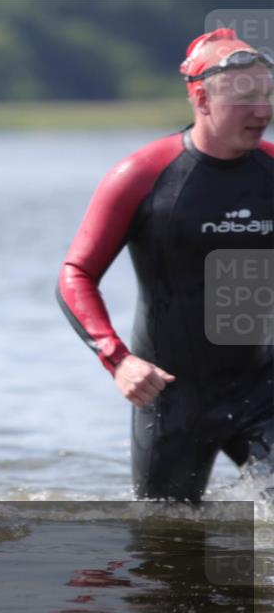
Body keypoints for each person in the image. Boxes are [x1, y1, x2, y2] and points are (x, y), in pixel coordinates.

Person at [57, 29, 273, 501]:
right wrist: (118, 361)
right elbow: (76, 274)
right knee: (165, 544)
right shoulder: (142, 176)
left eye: (267, 95)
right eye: (245, 99)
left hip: (264, 389)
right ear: (201, 98)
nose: (262, 111)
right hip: (171, 395)